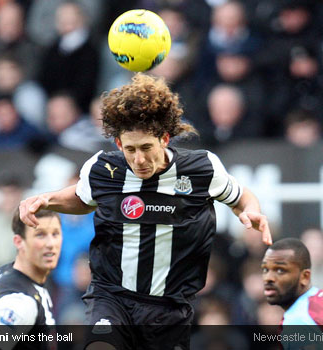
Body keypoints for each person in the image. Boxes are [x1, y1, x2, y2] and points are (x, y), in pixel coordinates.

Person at [19, 73, 272, 350]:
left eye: (146, 148)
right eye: (130, 149)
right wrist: (46, 200)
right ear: (118, 144)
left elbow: (240, 196)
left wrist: (251, 210)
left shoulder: (202, 169)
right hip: (112, 296)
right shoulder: (104, 168)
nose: (139, 159)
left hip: (170, 306)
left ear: (164, 138)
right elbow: (82, 197)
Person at [0, 209, 61, 349]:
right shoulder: (21, 300)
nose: (50, 244)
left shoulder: (4, 272)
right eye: (40, 235)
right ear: (19, 242)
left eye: (55, 234)